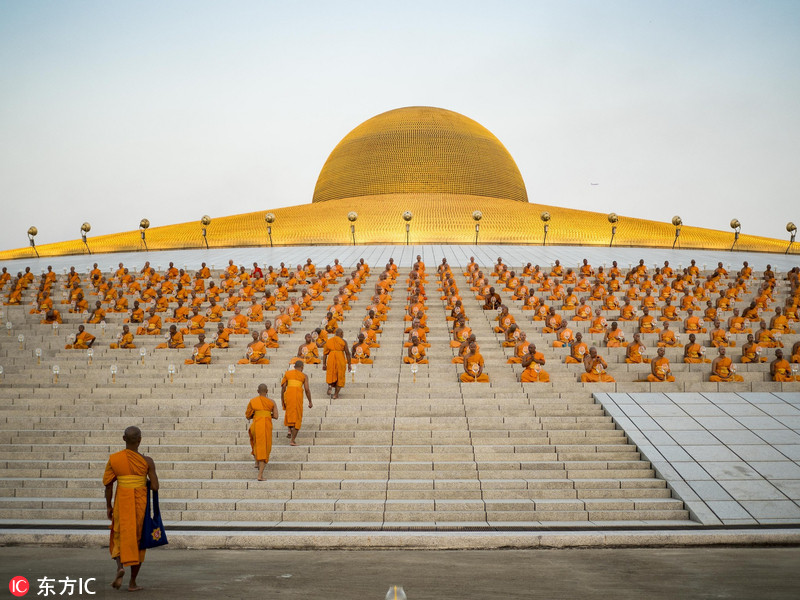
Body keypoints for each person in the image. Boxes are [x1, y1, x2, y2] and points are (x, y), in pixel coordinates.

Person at [103, 426, 158, 592]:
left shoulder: (115, 459)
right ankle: (132, 582)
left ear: (123, 439)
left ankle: (120, 567)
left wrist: (109, 506)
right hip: (140, 504)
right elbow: (155, 486)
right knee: (139, 540)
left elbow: (108, 486)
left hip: (122, 502)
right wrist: (143, 482)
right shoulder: (147, 461)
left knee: (119, 535)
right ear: (140, 440)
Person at [245, 384, 278, 481]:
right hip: (265, 427)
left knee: (256, 443)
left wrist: (257, 415)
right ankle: (260, 475)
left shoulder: (253, 401)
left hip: (256, 426)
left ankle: (256, 462)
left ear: (257, 391)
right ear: (267, 391)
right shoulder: (271, 402)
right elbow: (276, 416)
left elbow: (247, 416)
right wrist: (267, 415)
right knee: (264, 448)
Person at [281, 361, 313, 446]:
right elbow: (306, 389)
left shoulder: (287, 373)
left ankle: (289, 430)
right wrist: (310, 401)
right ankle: (292, 440)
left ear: (294, 367)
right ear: (302, 367)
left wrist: (282, 399)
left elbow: (283, 387)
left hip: (288, 395)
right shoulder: (304, 376)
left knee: (289, 413)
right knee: (297, 417)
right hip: (297, 397)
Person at [323, 328, 351, 398]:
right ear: (341, 334)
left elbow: (325, 354)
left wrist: (324, 364)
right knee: (340, 376)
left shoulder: (329, 341)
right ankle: (336, 394)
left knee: (331, 373)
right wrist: (349, 364)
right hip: (340, 359)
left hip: (331, 359)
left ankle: (330, 385)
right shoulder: (343, 341)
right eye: (342, 334)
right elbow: (347, 353)